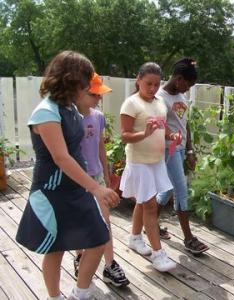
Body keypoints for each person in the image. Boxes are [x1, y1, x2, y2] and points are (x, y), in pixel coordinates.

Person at [15, 50, 120, 300]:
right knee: (56, 249)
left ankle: (80, 292)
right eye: (85, 81)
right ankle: (55, 297)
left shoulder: (71, 107)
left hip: (76, 187)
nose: (87, 87)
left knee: (98, 237)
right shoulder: (46, 111)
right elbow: (61, 158)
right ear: (71, 79)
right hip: (53, 192)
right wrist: (96, 188)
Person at [119, 62, 179, 272]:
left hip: (156, 161)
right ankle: (158, 254)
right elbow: (124, 136)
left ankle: (135, 238)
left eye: (156, 84)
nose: (153, 88)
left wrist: (171, 136)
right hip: (139, 162)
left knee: (144, 203)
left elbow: (161, 128)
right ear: (138, 79)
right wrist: (143, 134)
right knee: (150, 206)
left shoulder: (159, 103)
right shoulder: (131, 104)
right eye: (148, 84)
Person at [74, 73, 129, 287]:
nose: (98, 99)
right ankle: (80, 258)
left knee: (104, 222)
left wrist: (106, 175)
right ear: (79, 93)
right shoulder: (70, 119)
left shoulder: (97, 117)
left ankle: (109, 265)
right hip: (77, 180)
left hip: (97, 177)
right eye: (93, 94)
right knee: (79, 224)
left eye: (99, 95)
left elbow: (99, 147)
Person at [156, 58, 209, 254]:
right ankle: (188, 238)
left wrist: (190, 150)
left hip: (180, 150)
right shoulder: (160, 99)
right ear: (178, 79)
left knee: (168, 189)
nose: (187, 89)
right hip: (168, 149)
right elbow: (158, 127)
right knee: (181, 189)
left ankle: (151, 225)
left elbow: (184, 123)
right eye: (187, 84)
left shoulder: (180, 96)